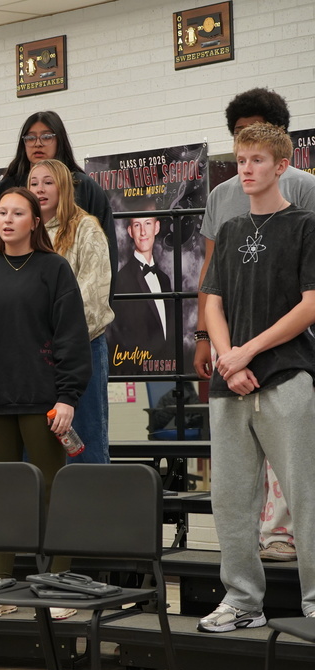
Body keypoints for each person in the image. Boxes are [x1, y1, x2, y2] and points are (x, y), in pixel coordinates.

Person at [197, 122, 315, 631]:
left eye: (257, 161)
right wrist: (228, 358)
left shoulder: (306, 226)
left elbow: (310, 306)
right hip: (231, 383)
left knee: (304, 494)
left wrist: (248, 351)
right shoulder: (229, 231)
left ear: (281, 166)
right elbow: (213, 303)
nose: (245, 169)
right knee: (230, 499)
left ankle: (314, 602)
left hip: (287, 377)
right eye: (241, 160)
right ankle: (242, 601)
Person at [0, 186, 91, 619]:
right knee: (3, 494)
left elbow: (71, 335)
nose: (8, 219)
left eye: (18, 213)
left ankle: (60, 587)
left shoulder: (54, 269)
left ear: (35, 221)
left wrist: (68, 396)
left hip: (43, 400)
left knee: (53, 491)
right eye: (2, 213)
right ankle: (1, 589)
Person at [29, 159, 114, 464]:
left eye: (48, 182)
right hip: (36, 355)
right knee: (37, 445)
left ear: (64, 187)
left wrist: (57, 337)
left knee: (84, 441)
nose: (40, 188)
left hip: (81, 347)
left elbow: (91, 295)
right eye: (34, 182)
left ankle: (90, 512)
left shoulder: (86, 228)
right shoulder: (25, 231)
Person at [0, 111, 116, 273]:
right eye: (30, 138)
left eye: (46, 137)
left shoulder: (84, 186)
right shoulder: (5, 190)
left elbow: (104, 254)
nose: (38, 144)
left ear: (59, 140)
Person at [106, 205, 176, 364]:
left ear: (157, 227)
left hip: (167, 367)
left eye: (148, 224)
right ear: (130, 231)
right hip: (136, 366)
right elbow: (120, 335)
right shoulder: (120, 280)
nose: (143, 232)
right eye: (137, 225)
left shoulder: (165, 279)